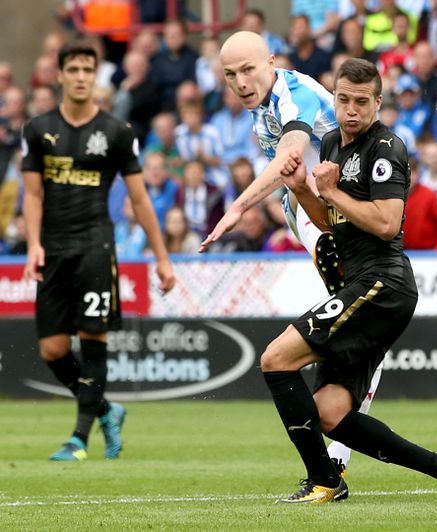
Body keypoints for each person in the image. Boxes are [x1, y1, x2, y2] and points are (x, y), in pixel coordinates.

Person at [269, 57, 437, 503]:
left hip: (383, 283)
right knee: (330, 413)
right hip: (360, 285)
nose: (351, 110)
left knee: (276, 359)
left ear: (378, 102)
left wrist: (332, 191)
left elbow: (388, 225)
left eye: (361, 101)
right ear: (334, 99)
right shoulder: (331, 143)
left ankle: (324, 479)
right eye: (343, 100)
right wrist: (303, 189)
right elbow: (332, 223)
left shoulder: (387, 148)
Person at [203, 31, 386, 487]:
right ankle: (337, 452)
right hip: (310, 207)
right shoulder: (261, 104)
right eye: (230, 75)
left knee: (357, 319)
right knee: (354, 321)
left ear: (271, 62)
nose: (241, 82)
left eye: (248, 70)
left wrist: (237, 208)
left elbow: (289, 157)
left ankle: (337, 455)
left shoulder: (293, 94)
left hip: (349, 206)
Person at [21, 41, 176, 461]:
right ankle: (107, 409)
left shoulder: (116, 132)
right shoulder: (37, 130)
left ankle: (79, 439)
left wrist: (162, 258)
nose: (80, 77)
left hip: (95, 247)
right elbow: (32, 195)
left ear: (95, 76)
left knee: (93, 339)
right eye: (73, 69)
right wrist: (33, 244)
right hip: (52, 250)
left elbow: (140, 200)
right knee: (52, 350)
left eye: (87, 70)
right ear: (60, 75)